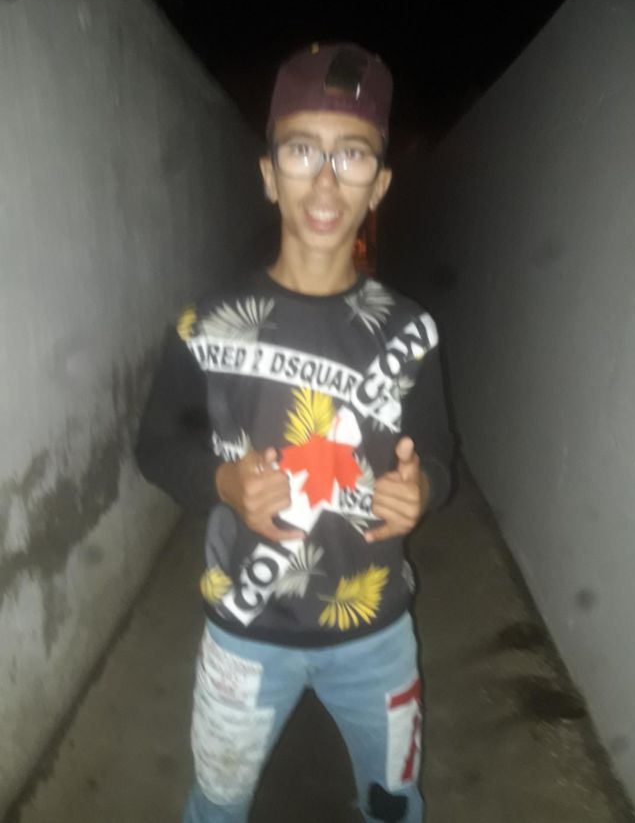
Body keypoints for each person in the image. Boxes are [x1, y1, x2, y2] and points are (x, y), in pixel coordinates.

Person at [136, 41, 452, 823]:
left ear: (379, 185)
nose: (326, 181)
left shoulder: (410, 331)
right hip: (243, 631)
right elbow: (156, 444)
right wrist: (222, 481)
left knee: (393, 804)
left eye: (354, 155)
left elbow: (441, 458)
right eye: (303, 150)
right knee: (216, 805)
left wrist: (423, 488)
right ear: (269, 173)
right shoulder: (206, 326)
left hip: (375, 631)